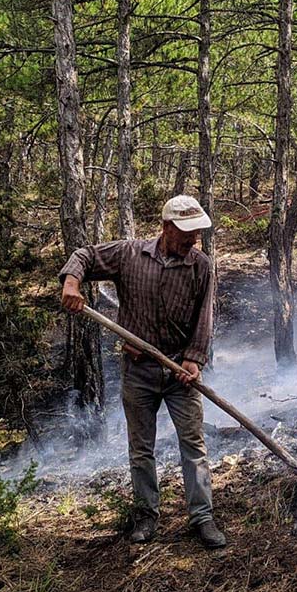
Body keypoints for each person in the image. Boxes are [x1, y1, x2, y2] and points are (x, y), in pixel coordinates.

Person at [59, 195, 225, 548]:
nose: (193, 240)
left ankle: (203, 517)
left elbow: (204, 319)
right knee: (141, 448)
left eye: (197, 234)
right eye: (187, 233)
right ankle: (146, 517)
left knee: (193, 444)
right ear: (166, 227)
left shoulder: (201, 266)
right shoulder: (130, 255)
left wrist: (194, 359)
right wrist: (72, 284)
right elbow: (84, 255)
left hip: (181, 372)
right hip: (139, 371)